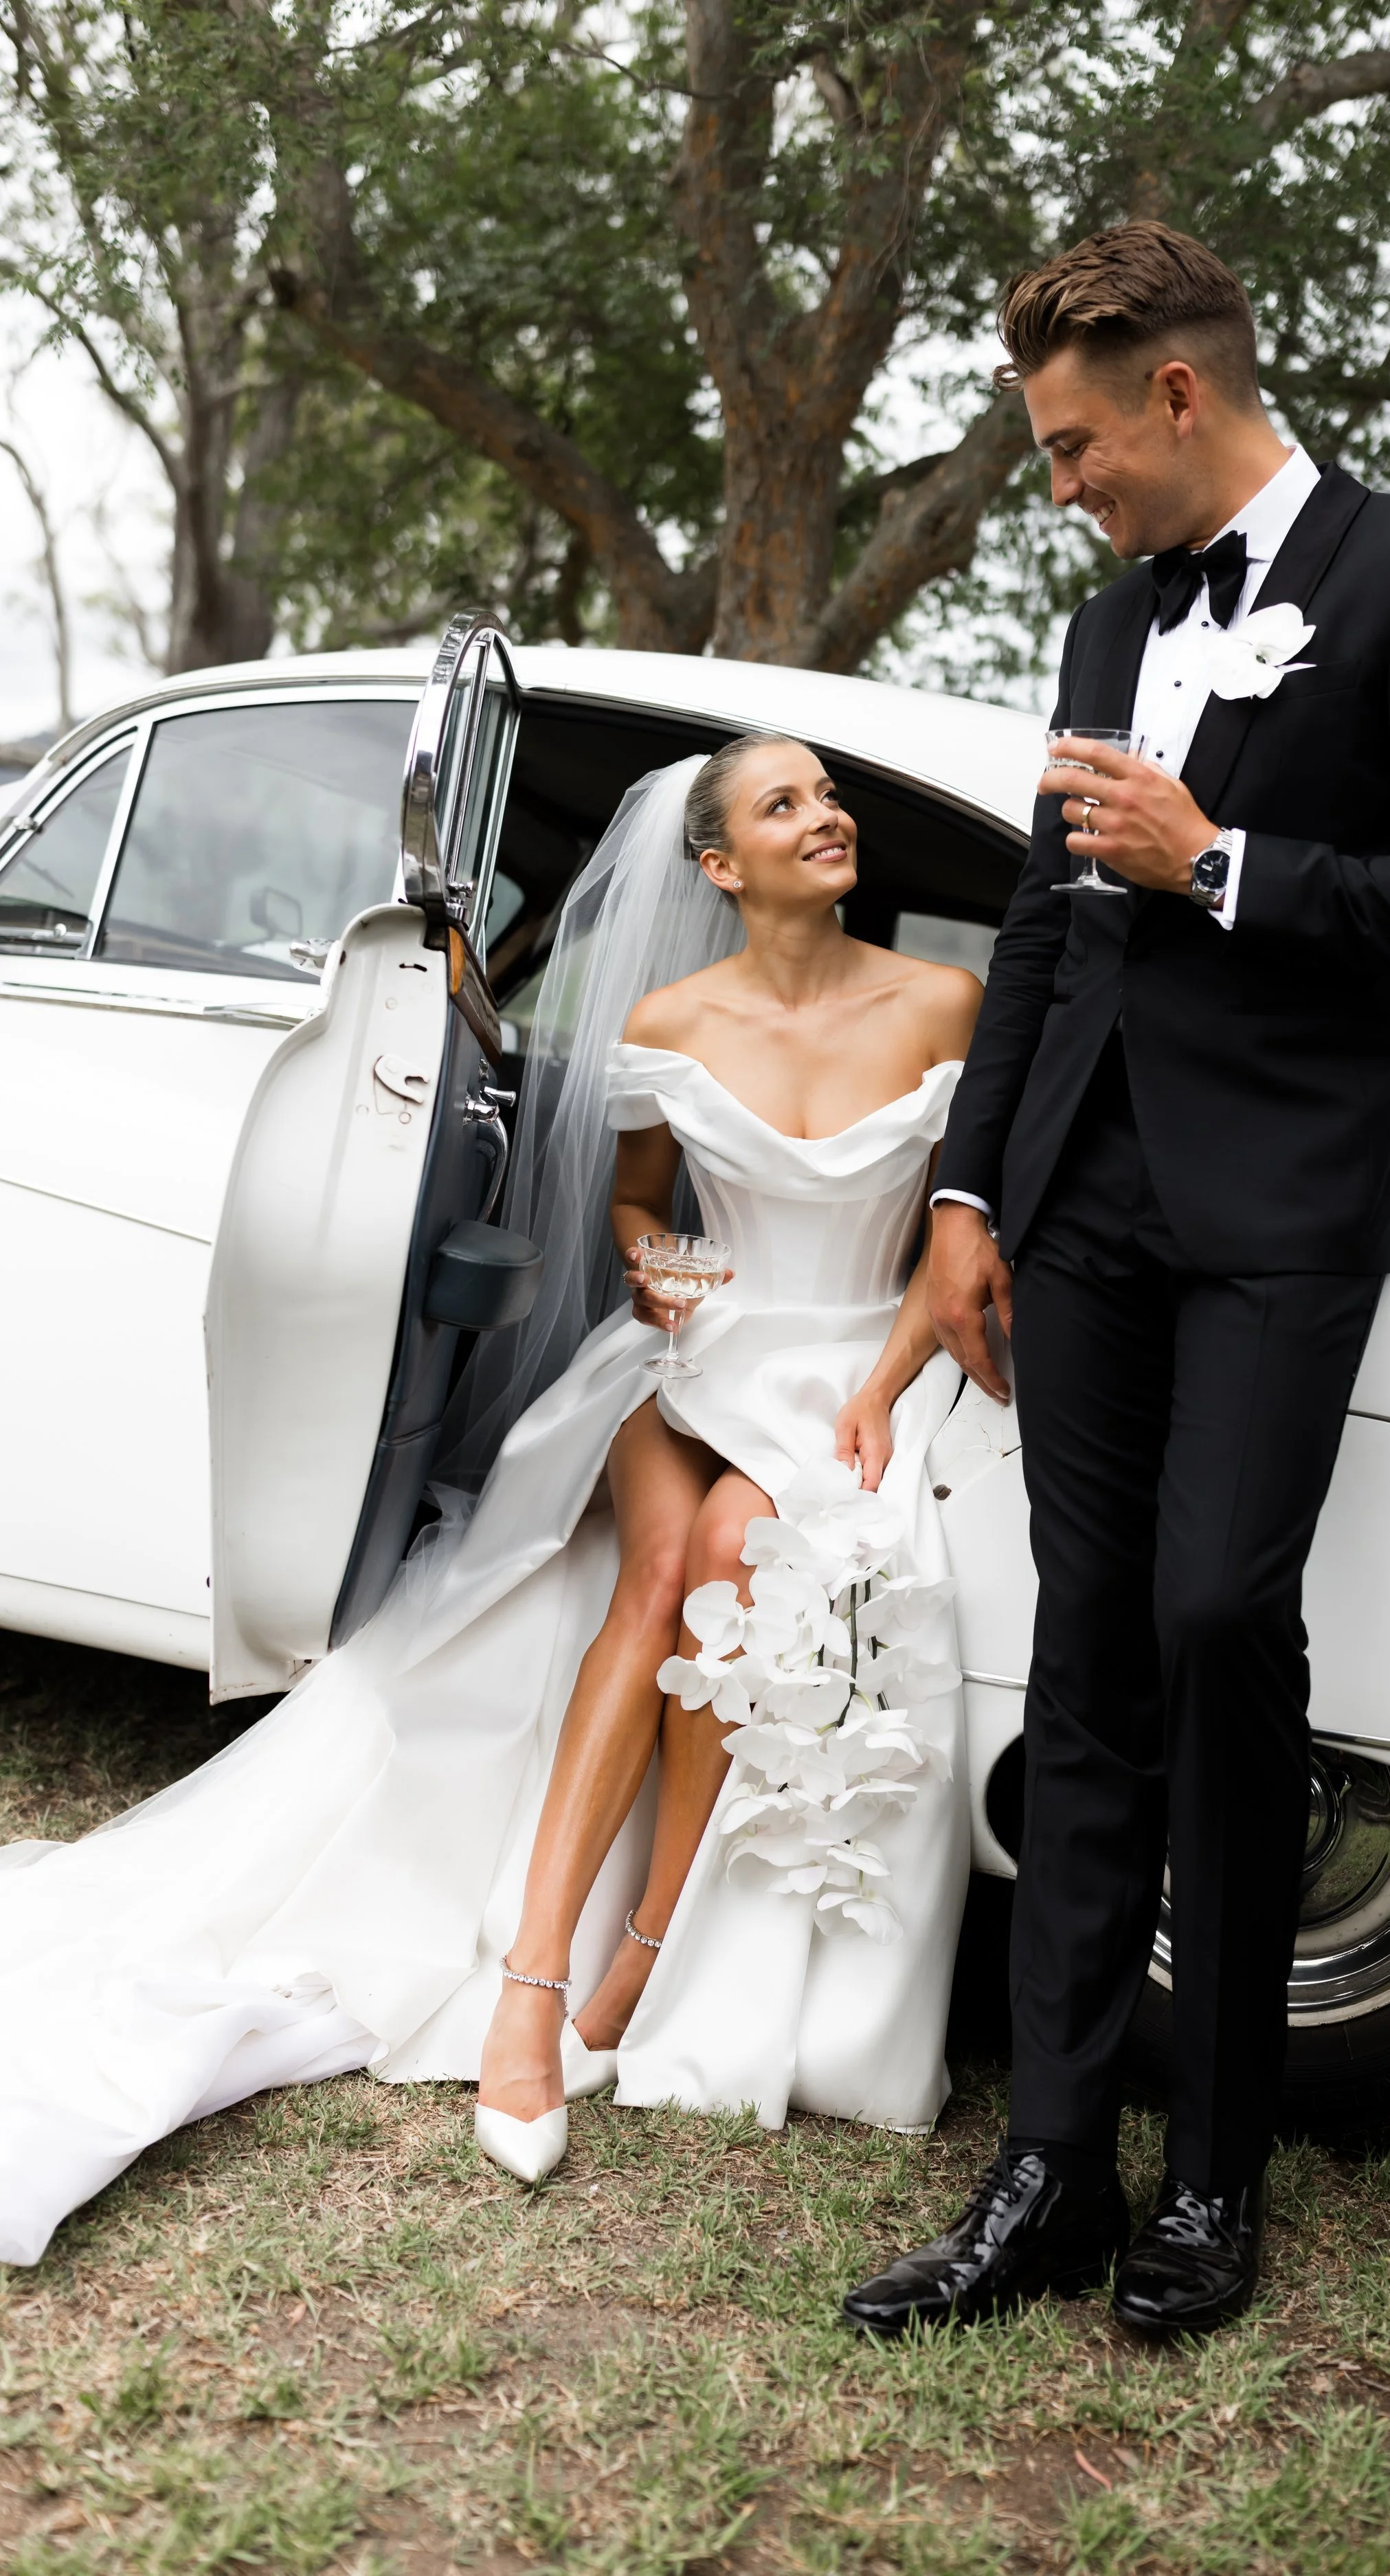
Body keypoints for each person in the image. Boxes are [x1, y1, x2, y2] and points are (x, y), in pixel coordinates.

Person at [844, 221, 1390, 2341]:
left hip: (1282, 1203)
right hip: (1077, 1199)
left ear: (1174, 392)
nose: (1059, 486)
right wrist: (969, 1192)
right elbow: (1041, 923)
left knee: (1218, 1613)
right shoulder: (1103, 620)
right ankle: (1051, 2162)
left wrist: (1218, 862)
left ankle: (1215, 2166)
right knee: (1085, 1658)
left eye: (1073, 447)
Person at [0, 736, 980, 2265]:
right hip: (693, 1356)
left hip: (859, 1364)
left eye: (830, 796)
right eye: (783, 803)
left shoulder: (940, 1002)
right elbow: (640, 1204)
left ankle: (635, 1963)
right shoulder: (670, 1019)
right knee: (658, 1568)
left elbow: (955, 1234)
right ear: (718, 866)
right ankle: (535, 1987)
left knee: (734, 1560)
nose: (827, 816)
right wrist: (662, 1270)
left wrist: (883, 1382)